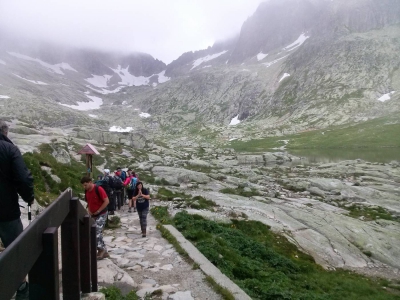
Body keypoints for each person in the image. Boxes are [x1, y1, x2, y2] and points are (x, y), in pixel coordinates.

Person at [0, 120, 34, 300]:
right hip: (6, 210)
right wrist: (29, 197)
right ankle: (20, 287)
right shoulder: (9, 149)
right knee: (16, 249)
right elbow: (23, 178)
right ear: (5, 131)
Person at [80, 176, 110, 260]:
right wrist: (89, 211)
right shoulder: (86, 191)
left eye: (85, 185)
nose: (84, 187)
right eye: (83, 185)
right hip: (93, 214)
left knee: (96, 230)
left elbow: (106, 201)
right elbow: (88, 202)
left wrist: (98, 211)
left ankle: (100, 250)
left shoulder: (99, 189)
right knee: (94, 231)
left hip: (102, 213)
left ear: (90, 182)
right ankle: (104, 252)